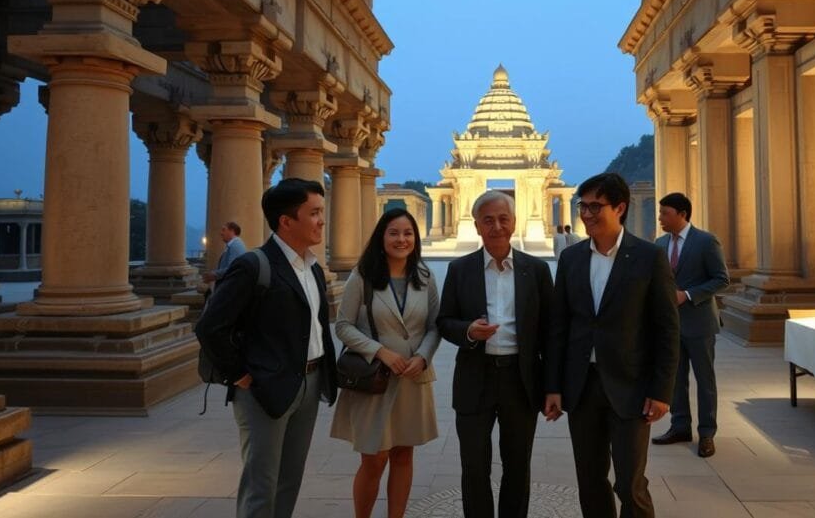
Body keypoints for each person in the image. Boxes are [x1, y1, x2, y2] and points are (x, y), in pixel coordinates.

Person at [196, 178, 337, 518]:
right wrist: (240, 375)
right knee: (261, 485)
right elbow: (210, 327)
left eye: (322, 212)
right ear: (286, 221)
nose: (322, 220)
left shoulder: (313, 268)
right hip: (263, 387)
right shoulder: (253, 265)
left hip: (309, 382)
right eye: (314, 213)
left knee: (289, 481)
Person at [544, 172, 680, 518]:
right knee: (590, 480)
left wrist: (662, 391)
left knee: (630, 484)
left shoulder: (649, 257)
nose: (586, 214)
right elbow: (559, 327)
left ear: (619, 208)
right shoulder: (572, 259)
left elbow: (666, 329)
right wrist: (554, 387)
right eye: (582, 206)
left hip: (631, 386)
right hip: (582, 386)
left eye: (595, 206)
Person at [437, 191, 554, 518]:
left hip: (522, 379)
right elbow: (444, 321)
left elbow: (551, 330)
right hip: (476, 377)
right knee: (474, 465)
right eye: (488, 220)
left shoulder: (537, 270)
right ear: (476, 226)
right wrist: (468, 332)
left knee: (518, 464)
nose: (497, 226)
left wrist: (553, 386)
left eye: (504, 219)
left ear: (514, 223)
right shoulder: (460, 270)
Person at [330, 208, 441, 518]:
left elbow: (435, 325)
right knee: (374, 459)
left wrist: (423, 356)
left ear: (415, 239)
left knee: (404, 455)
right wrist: (380, 351)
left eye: (408, 233)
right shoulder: (362, 276)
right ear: (381, 237)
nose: (401, 239)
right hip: (375, 379)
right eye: (393, 232)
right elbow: (343, 326)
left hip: (412, 378)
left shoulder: (424, 275)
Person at [650, 193, 729, 458]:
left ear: (682, 214)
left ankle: (707, 433)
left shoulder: (706, 241)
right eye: (660, 213)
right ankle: (680, 426)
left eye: (665, 213)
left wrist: (688, 294)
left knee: (704, 380)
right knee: (675, 379)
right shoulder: (659, 244)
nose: (660, 217)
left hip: (700, 323)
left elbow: (721, 279)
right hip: (670, 325)